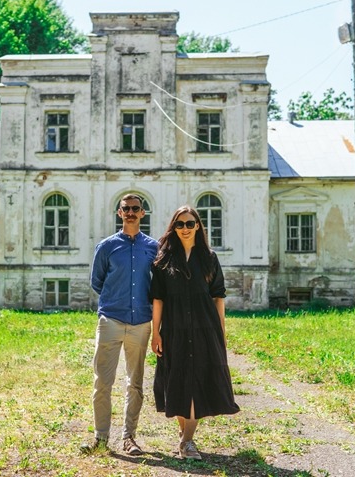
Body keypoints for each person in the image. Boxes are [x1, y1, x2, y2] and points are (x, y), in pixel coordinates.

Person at [150, 205, 239, 460]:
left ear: (198, 226)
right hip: (174, 329)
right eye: (180, 224)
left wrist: (221, 332)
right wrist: (156, 333)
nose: (185, 229)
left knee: (197, 380)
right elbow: (158, 299)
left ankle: (187, 441)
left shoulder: (209, 258)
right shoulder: (164, 260)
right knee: (177, 380)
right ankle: (185, 437)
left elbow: (218, 297)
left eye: (190, 224)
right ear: (174, 228)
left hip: (204, 328)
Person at [84, 194, 158, 456]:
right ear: (119, 213)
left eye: (135, 208)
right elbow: (97, 281)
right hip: (111, 320)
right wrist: (115, 300)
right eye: (126, 208)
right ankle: (101, 438)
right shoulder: (106, 247)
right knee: (102, 382)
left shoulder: (153, 248)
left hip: (141, 323)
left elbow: (158, 284)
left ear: (143, 213)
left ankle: (129, 438)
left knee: (135, 383)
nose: (130, 212)